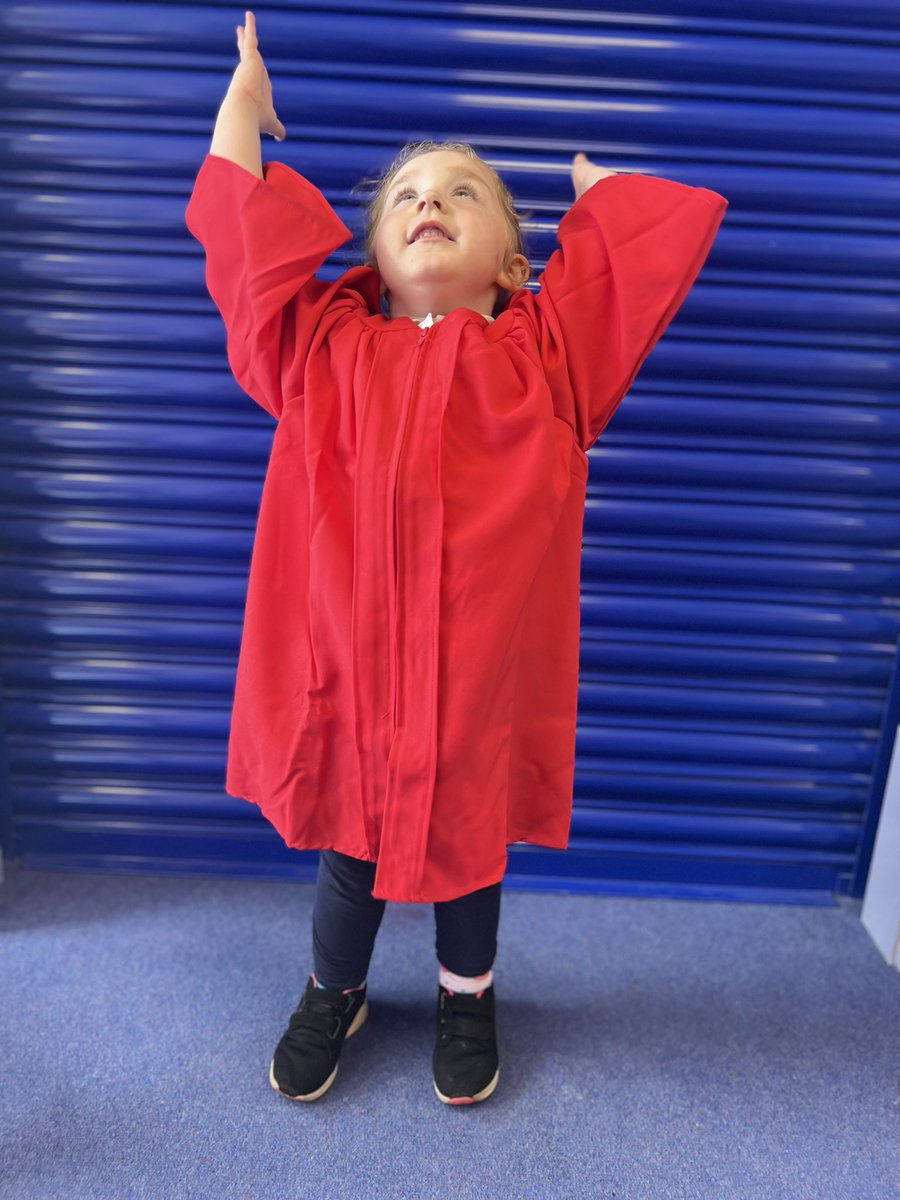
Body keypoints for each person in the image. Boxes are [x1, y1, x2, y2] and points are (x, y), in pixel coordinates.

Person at [184, 10, 728, 1107]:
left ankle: (465, 992)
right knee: (349, 858)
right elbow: (243, 246)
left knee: (472, 856)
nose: (430, 201)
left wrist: (600, 188)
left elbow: (640, 254)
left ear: (511, 265)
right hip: (351, 680)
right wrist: (243, 103)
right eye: (405, 196)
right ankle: (334, 989)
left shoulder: (548, 361)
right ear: (374, 251)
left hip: (475, 688)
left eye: (463, 192)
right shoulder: (319, 352)